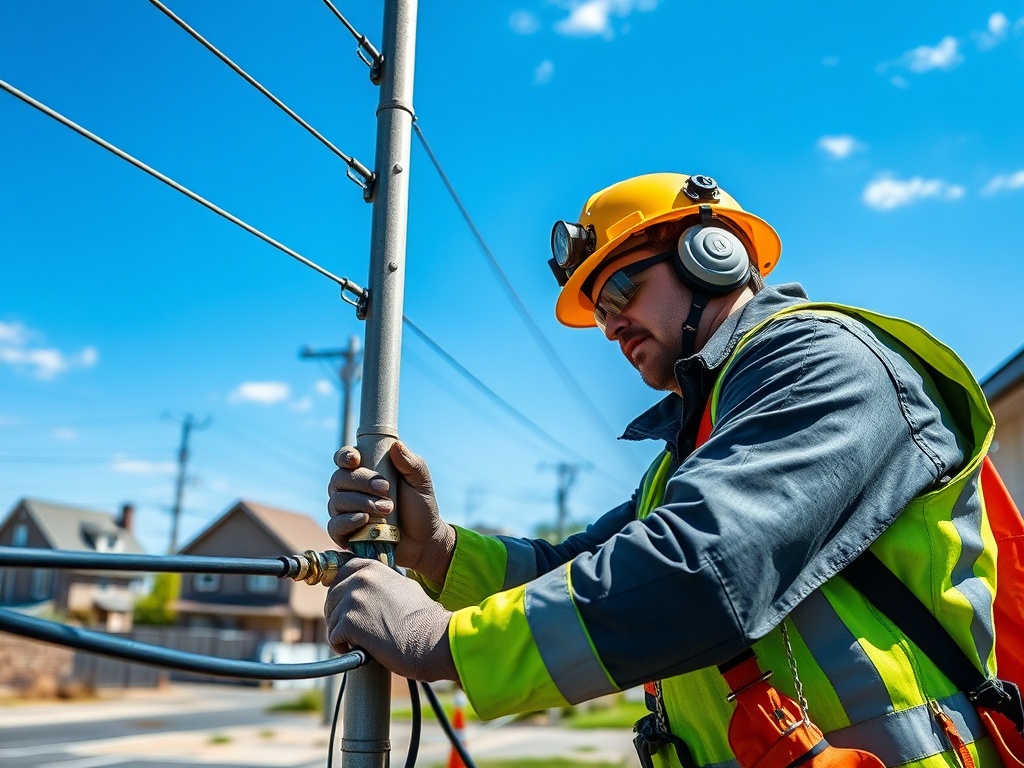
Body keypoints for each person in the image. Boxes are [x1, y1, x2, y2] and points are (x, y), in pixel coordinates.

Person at [323, 173, 1003, 766]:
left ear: (713, 255)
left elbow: (703, 567)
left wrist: (439, 641)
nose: (610, 324)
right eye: (598, 312)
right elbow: (580, 567)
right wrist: (438, 552)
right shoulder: (693, 449)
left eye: (621, 288)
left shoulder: (826, 365)